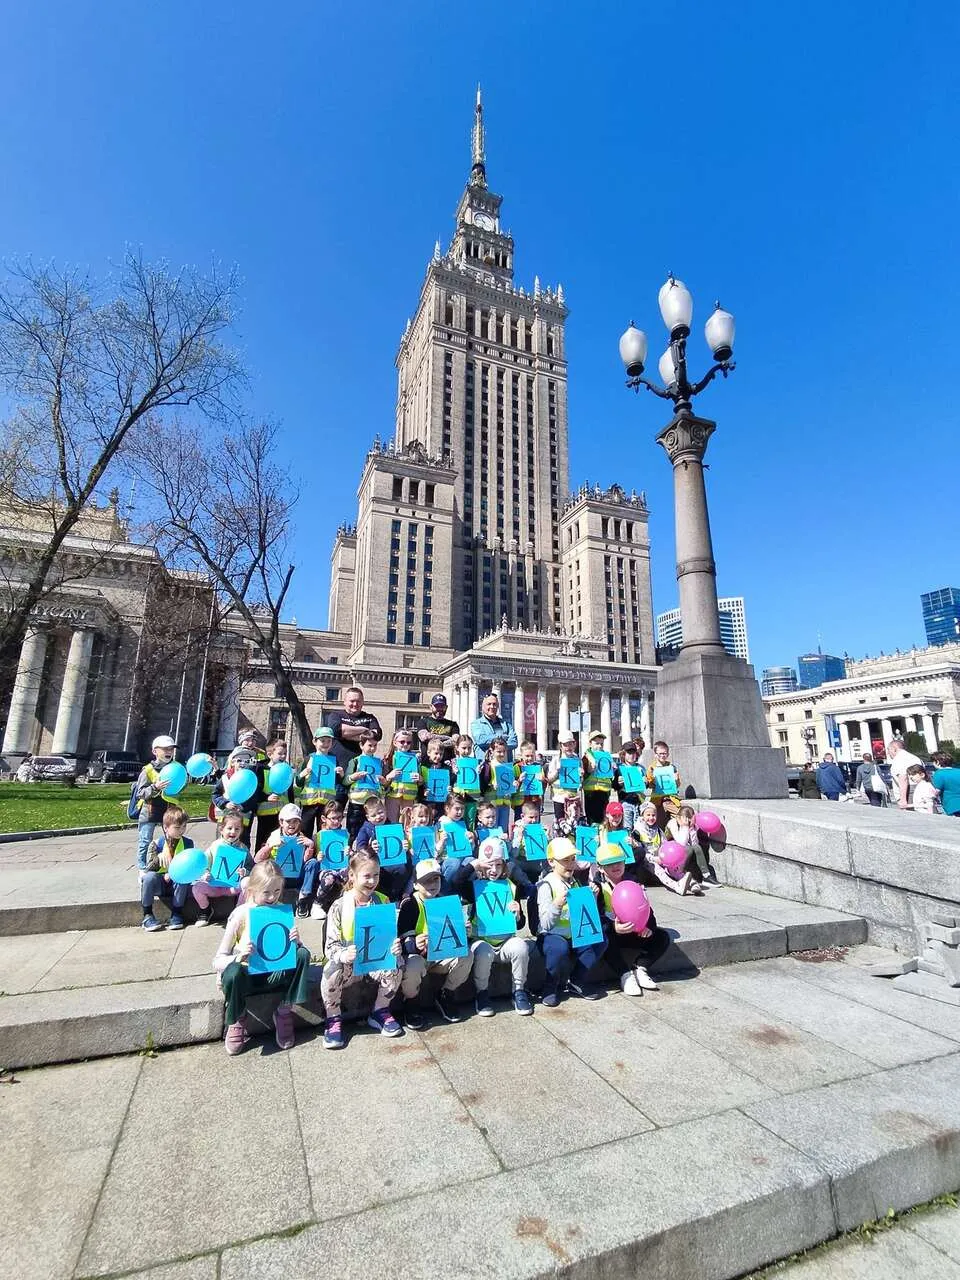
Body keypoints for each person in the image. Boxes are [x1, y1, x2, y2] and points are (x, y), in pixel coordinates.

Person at [214, 860, 311, 1055]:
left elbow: (289, 954)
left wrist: (297, 942)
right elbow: (217, 960)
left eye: (277, 891)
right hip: (247, 977)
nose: (272, 897)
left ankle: (284, 1010)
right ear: (252, 890)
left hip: (274, 975)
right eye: (266, 892)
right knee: (233, 972)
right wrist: (239, 956)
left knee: (302, 954)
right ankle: (237, 1018)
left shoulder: (282, 911)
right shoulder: (241, 914)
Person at [320, 849, 404, 1050]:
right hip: (348, 965)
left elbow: (389, 936)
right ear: (352, 875)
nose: (372, 881)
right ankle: (333, 1019)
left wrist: (395, 945)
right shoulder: (339, 906)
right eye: (366, 876)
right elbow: (330, 947)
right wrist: (343, 954)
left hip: (374, 963)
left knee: (397, 963)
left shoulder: (383, 901)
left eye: (376, 875)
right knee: (331, 970)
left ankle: (380, 1011)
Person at [456, 836, 534, 1016]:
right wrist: (474, 865)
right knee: (484, 952)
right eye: (489, 865)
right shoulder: (474, 886)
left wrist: (518, 914)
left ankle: (519, 991)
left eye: (498, 865)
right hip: (481, 940)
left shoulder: (509, 886)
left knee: (521, 947)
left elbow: (520, 924)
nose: (494, 870)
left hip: (505, 941)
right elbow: (455, 882)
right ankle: (482, 993)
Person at [398, 857, 474, 1027]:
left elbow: (456, 938)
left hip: (442, 956)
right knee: (412, 965)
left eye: (436, 879)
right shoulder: (409, 905)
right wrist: (414, 944)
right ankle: (411, 1001)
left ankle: (445, 994)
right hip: (420, 957)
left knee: (467, 955)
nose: (432, 884)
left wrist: (465, 933)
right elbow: (401, 941)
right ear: (415, 884)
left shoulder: (447, 901)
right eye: (426, 881)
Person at [591, 842, 669, 997]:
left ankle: (640, 968)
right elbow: (595, 919)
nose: (616, 866)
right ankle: (625, 975)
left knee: (662, 937)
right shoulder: (597, 887)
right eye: (609, 864)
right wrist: (614, 927)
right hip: (613, 934)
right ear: (600, 867)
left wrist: (648, 926)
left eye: (619, 862)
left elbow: (646, 909)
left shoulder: (634, 882)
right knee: (604, 939)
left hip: (634, 931)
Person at [537, 837, 607, 1006]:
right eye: (565, 860)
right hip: (551, 935)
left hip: (575, 934)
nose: (570, 864)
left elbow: (585, 915)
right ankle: (550, 986)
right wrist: (557, 905)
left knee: (601, 940)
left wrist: (592, 896)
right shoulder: (546, 885)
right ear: (551, 862)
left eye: (572, 859)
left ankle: (577, 980)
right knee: (558, 948)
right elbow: (545, 924)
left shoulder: (575, 882)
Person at [252, 802, 318, 917]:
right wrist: (269, 846)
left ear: (299, 822)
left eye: (295, 821)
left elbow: (304, 861)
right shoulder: (274, 836)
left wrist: (311, 846)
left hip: (296, 876)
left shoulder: (301, 837)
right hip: (278, 876)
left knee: (313, 863)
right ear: (281, 822)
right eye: (288, 821)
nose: (292, 824)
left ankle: (303, 898)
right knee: (265, 867)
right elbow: (257, 860)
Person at [141, 804, 193, 932]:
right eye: (177, 827)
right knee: (148, 877)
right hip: (160, 884)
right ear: (166, 828)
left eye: (184, 826)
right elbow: (149, 868)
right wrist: (159, 858)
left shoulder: (188, 843)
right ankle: (147, 915)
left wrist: (174, 873)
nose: (181, 830)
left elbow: (190, 865)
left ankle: (177, 914)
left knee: (182, 877)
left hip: (177, 884)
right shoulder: (156, 844)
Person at [193, 809, 249, 926]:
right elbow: (204, 864)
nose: (233, 831)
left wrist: (245, 871)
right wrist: (205, 874)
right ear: (221, 829)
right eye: (229, 828)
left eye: (237, 829)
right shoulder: (215, 846)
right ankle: (205, 910)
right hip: (215, 886)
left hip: (233, 887)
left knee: (248, 883)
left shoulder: (243, 848)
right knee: (196, 888)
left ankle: (238, 912)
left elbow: (251, 866)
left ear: (241, 831)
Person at [328, 687, 383, 800]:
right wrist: (364, 730)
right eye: (352, 701)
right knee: (336, 808)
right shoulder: (336, 715)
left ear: (362, 702)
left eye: (358, 701)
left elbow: (376, 735)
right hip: (339, 771)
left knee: (359, 810)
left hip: (362, 776)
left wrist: (346, 734)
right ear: (344, 701)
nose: (355, 704)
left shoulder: (369, 718)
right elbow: (337, 730)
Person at [633, 801, 698, 896]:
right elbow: (639, 852)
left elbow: (665, 845)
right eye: (648, 815)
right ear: (642, 816)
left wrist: (667, 857)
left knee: (673, 866)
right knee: (658, 870)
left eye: (653, 815)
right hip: (647, 861)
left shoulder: (658, 830)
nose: (651, 818)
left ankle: (690, 883)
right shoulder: (637, 831)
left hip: (660, 858)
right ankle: (676, 886)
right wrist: (654, 859)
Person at [133, 734, 178, 873]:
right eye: (165, 749)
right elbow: (140, 793)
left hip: (169, 810)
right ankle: (142, 868)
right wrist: (155, 787)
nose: (169, 752)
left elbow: (181, 786)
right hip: (150, 810)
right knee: (145, 840)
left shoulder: (176, 768)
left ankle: (170, 867)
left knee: (171, 839)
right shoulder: (148, 770)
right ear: (155, 751)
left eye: (171, 749)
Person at [296, 727, 343, 837]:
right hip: (309, 803)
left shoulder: (334, 760)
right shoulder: (308, 759)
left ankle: (321, 849)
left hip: (326, 805)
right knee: (305, 831)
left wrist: (340, 774)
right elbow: (298, 782)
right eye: (322, 741)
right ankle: (306, 848)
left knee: (324, 832)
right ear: (315, 742)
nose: (325, 744)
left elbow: (337, 782)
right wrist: (302, 774)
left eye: (329, 741)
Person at [250, 737, 295, 851]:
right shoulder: (261, 769)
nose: (283, 756)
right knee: (263, 841)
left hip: (282, 814)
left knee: (280, 842)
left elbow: (290, 792)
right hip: (265, 813)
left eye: (285, 753)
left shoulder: (287, 770)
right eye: (280, 753)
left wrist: (292, 807)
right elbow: (256, 790)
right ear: (270, 754)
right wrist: (266, 797)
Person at [342, 732, 383, 843]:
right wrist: (353, 777)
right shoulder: (355, 761)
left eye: (375, 745)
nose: (372, 748)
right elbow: (345, 781)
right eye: (370, 745)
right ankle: (352, 850)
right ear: (361, 745)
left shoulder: (379, 762)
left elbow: (382, 785)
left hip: (372, 804)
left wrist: (383, 782)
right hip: (357, 803)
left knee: (371, 831)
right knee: (353, 831)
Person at [665, 804, 719, 885]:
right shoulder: (672, 824)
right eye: (689, 822)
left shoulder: (693, 826)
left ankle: (706, 876)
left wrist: (692, 829)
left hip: (686, 854)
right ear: (680, 818)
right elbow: (681, 843)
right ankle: (679, 873)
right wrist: (685, 827)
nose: (691, 824)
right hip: (671, 855)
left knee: (696, 847)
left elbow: (694, 844)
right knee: (688, 849)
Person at [547, 730, 583, 821]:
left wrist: (581, 775)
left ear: (574, 744)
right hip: (559, 798)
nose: (568, 747)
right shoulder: (556, 760)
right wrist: (557, 771)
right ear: (561, 746)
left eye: (570, 744)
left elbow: (580, 783)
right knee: (560, 823)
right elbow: (549, 779)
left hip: (573, 798)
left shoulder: (578, 760)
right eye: (565, 745)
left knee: (573, 823)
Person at [469, 693, 518, 757]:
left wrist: (494, 743)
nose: (492, 707)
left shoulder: (507, 725)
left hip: (505, 762)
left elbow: (514, 742)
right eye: (489, 704)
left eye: (494, 704)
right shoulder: (476, 724)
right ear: (483, 707)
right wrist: (502, 738)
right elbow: (481, 741)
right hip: (485, 762)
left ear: (498, 706)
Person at [582, 729, 615, 825]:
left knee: (604, 820)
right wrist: (590, 767)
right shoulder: (587, 757)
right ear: (590, 744)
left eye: (601, 744)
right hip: (591, 792)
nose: (599, 746)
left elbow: (610, 775)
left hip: (605, 792)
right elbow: (585, 773)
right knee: (592, 821)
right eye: (597, 743)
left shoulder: (606, 757)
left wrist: (613, 769)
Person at [646, 741, 682, 827]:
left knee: (681, 817)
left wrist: (676, 779)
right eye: (660, 754)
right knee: (657, 823)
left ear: (668, 754)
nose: (662, 756)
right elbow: (649, 785)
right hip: (657, 800)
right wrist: (652, 781)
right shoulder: (652, 768)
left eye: (664, 753)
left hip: (670, 799)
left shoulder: (672, 767)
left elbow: (677, 785)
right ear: (655, 755)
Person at [614, 740, 646, 833]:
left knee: (639, 828)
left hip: (639, 802)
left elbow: (645, 785)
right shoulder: (619, 769)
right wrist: (618, 783)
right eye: (629, 753)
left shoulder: (640, 768)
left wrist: (646, 782)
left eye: (633, 753)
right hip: (625, 801)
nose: (631, 755)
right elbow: (614, 786)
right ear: (623, 754)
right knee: (627, 827)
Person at [417, 694, 460, 760]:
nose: (439, 709)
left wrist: (434, 741)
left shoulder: (453, 724)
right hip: (427, 762)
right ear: (431, 707)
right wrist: (448, 738)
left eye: (442, 706)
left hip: (447, 763)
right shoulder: (423, 722)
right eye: (437, 706)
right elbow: (424, 737)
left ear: (446, 707)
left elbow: (456, 741)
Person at [887, 738, 924, 810]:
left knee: (913, 814)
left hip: (910, 792)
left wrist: (903, 800)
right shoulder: (914, 757)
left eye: (889, 749)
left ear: (894, 749)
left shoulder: (899, 759)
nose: (888, 753)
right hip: (919, 789)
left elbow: (903, 778)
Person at [932, 752, 960, 817]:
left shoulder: (939, 773)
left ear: (937, 762)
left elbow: (936, 791)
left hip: (952, 806)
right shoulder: (958, 771)